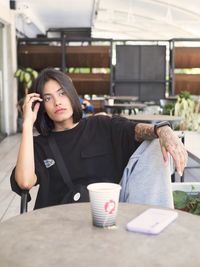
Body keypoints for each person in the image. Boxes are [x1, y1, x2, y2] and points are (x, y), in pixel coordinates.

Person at [10, 68, 188, 209]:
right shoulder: (41, 145)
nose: (57, 102)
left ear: (72, 94)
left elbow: (135, 130)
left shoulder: (101, 125)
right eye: (48, 98)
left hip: (112, 209)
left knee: (156, 145)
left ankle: (152, 225)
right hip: (62, 221)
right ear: (41, 106)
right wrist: (27, 125)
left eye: (62, 93)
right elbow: (25, 182)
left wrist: (163, 130)